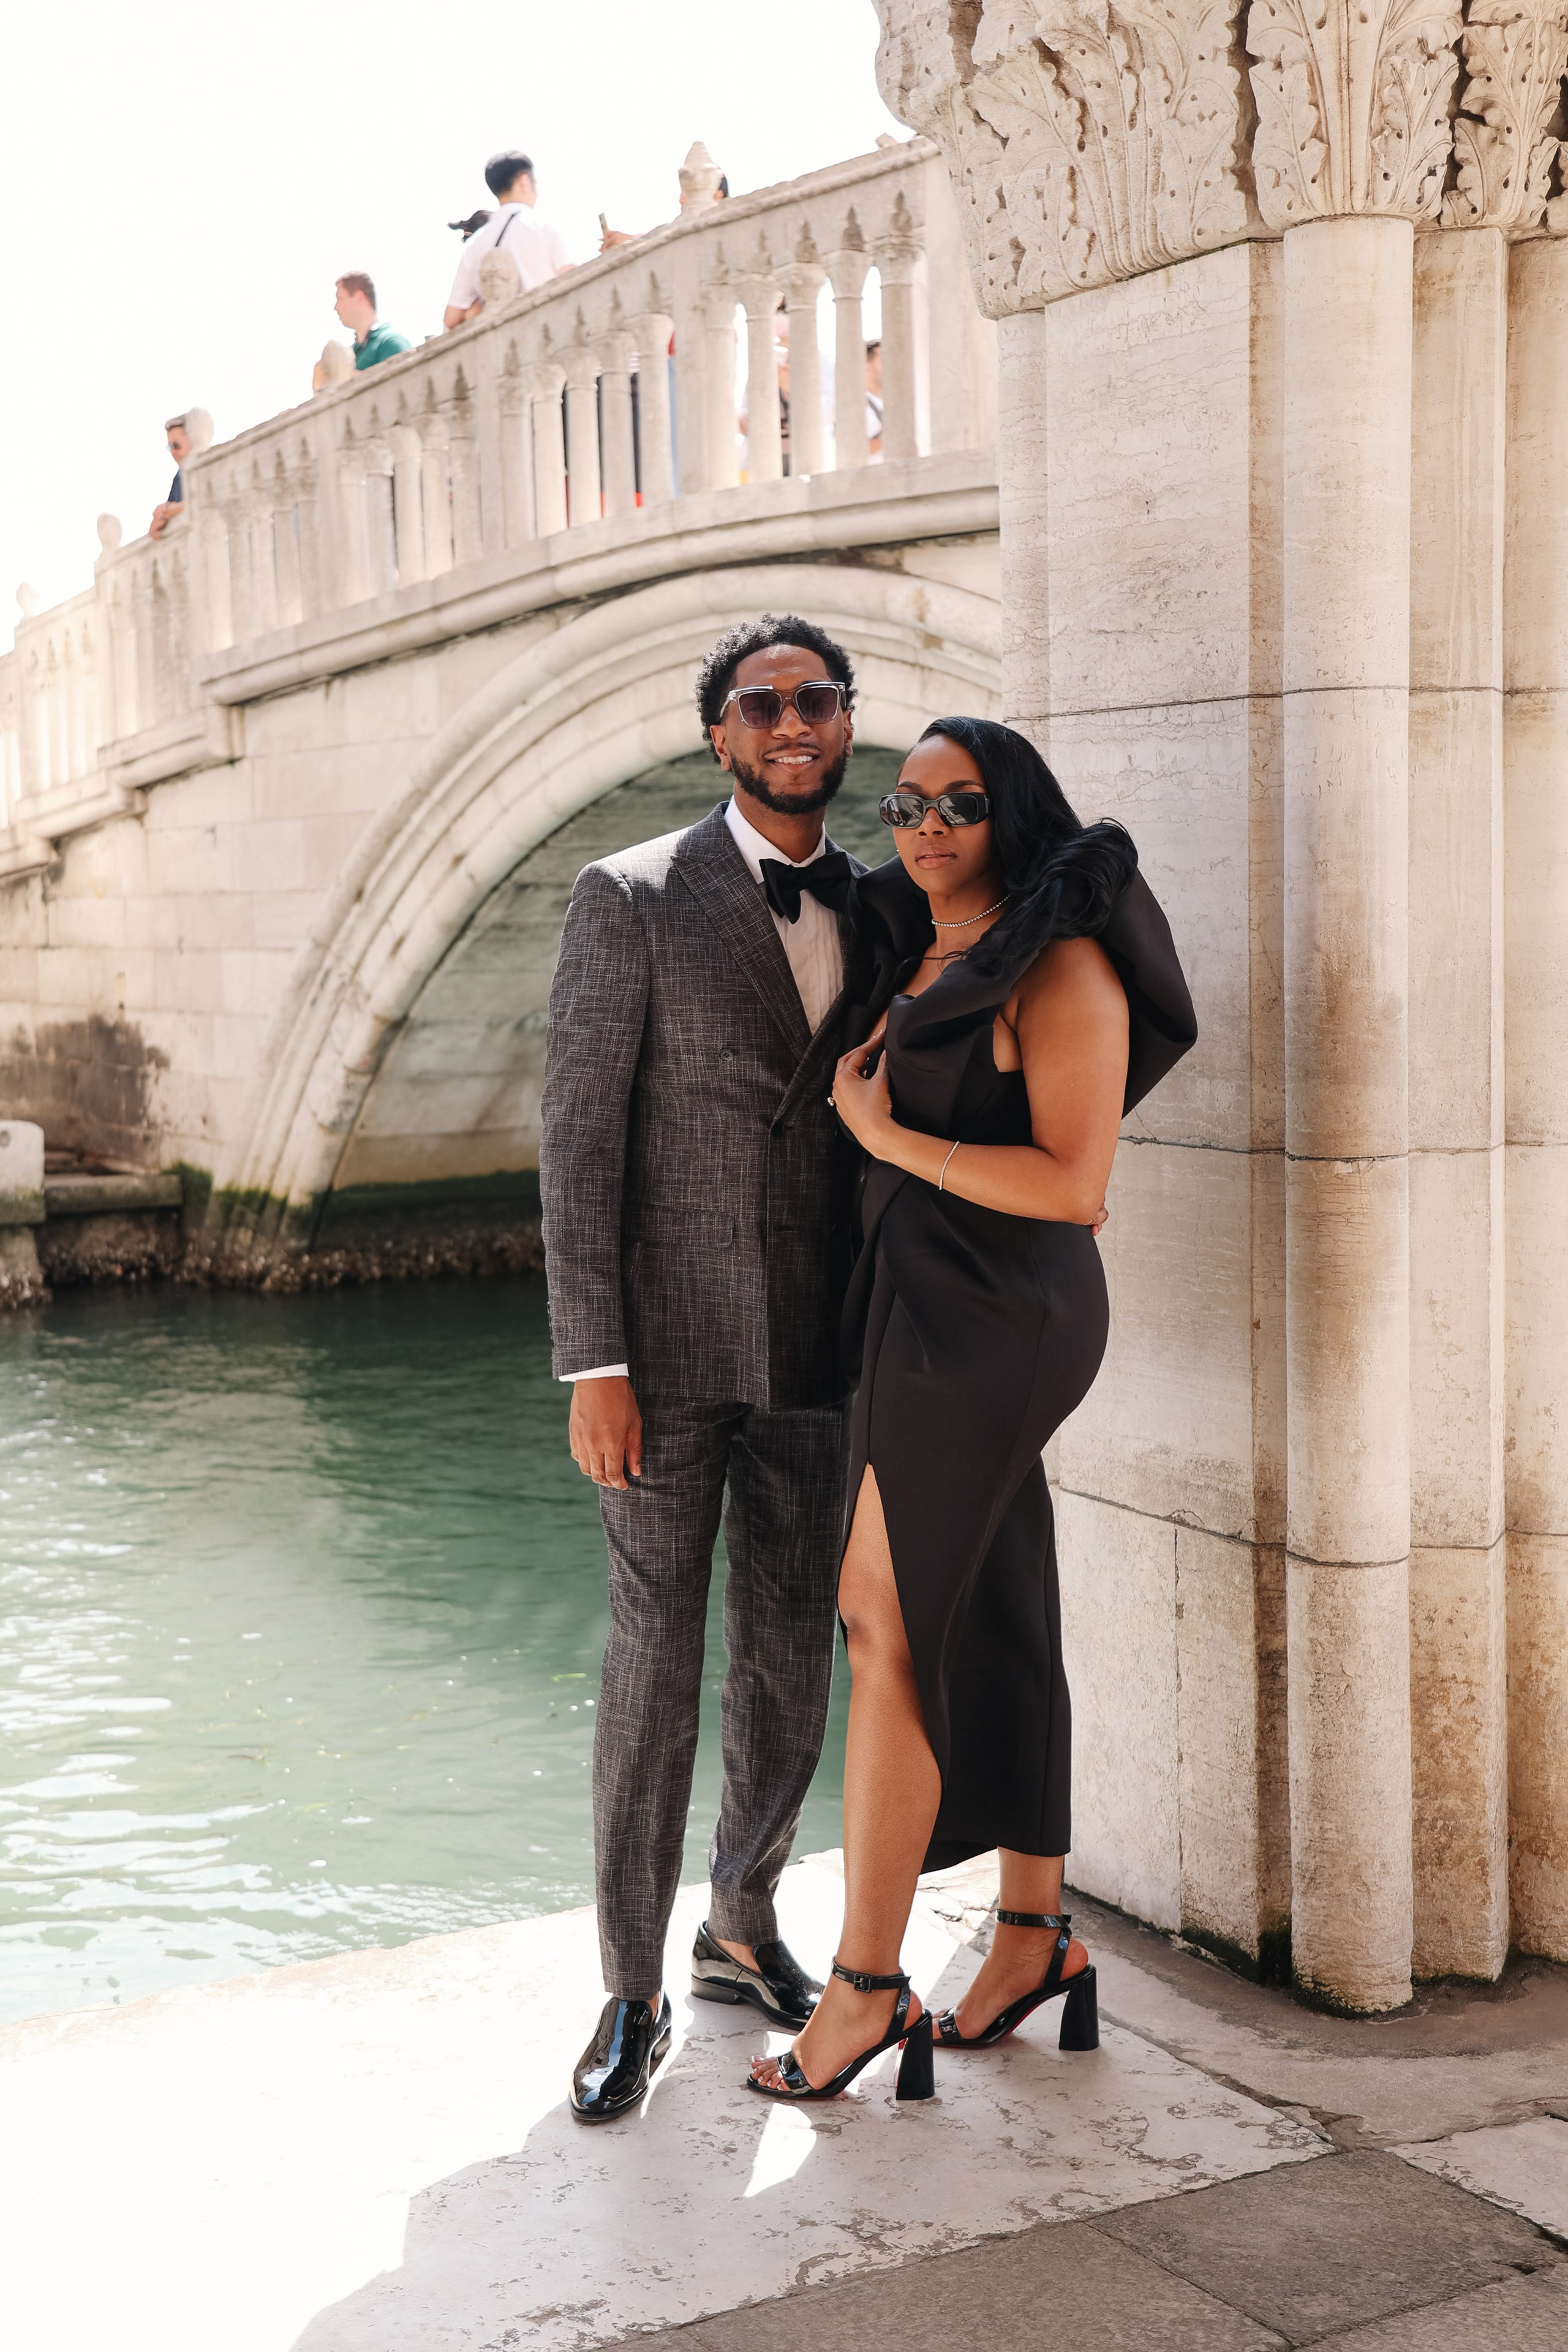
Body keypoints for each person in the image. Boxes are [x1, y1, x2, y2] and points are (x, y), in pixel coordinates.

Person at [747, 717, 1197, 2105]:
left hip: (1006, 1314)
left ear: (1009, 813)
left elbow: (1073, 1182)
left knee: (879, 1615)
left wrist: (884, 1137)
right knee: (999, 1597)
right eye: (908, 799)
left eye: (960, 800)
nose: (926, 820)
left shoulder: (1058, 960)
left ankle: (865, 1986)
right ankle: (1025, 1941)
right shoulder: (912, 944)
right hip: (908, 1307)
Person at [540, 615, 869, 2124]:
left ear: (843, 723)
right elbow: (576, 1139)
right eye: (763, 703)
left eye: (815, 699)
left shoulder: (875, 902)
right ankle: (629, 1982)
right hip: (659, 1358)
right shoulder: (629, 895)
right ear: (717, 733)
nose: (792, 721)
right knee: (654, 1658)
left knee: (790, 1644)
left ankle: (740, 1915)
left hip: (821, 1343)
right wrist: (589, 1360)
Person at [445, 151, 571, 328]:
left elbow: (452, 319)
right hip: (549, 331)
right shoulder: (542, 227)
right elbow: (570, 277)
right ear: (525, 182)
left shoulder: (475, 245)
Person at [333, 274, 412, 372]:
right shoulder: (350, 356)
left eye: (340, 298)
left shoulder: (391, 343)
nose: (336, 307)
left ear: (359, 297)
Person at [149, 415, 191, 540]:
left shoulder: (210, 469)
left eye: (177, 446)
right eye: (170, 447)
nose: (173, 452)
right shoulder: (179, 478)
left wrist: (169, 512)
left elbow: (205, 502)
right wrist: (161, 513)